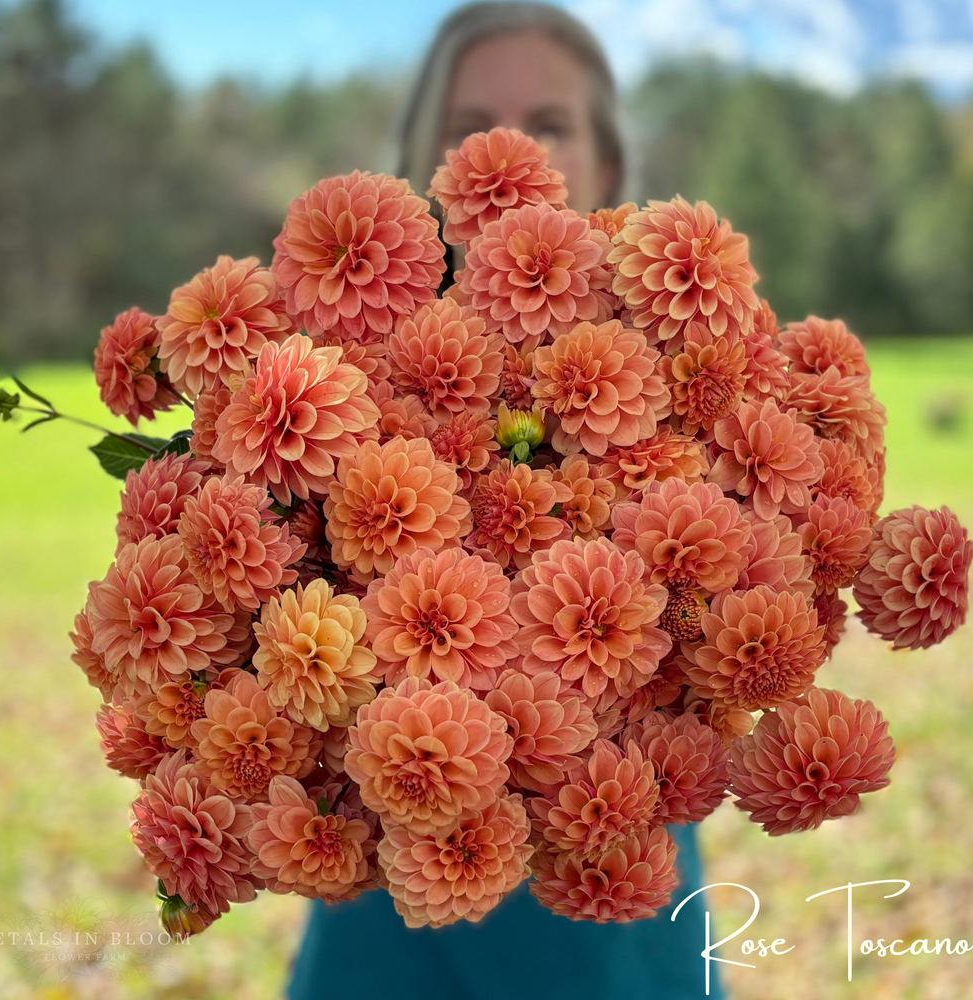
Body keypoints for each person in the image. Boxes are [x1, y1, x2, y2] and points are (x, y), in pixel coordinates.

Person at [287, 4, 725, 998]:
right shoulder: (336, 370)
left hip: (601, 879)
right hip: (392, 892)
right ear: (424, 163)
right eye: (469, 124)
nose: (507, 155)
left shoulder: (695, 373)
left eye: (550, 125)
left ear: (609, 166)